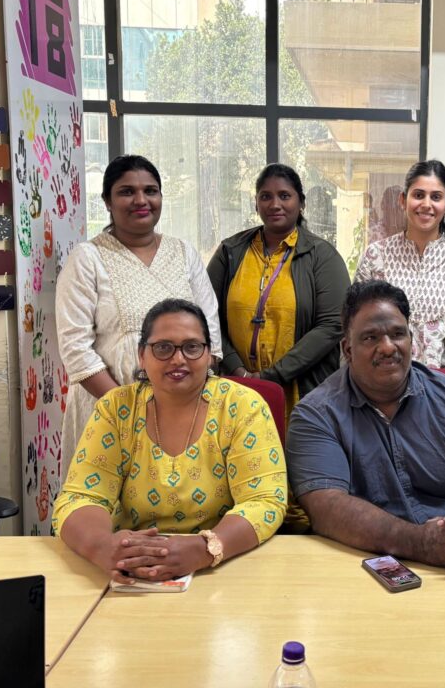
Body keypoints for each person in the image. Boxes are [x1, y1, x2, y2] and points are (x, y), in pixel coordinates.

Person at [53, 298, 286, 583]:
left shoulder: (242, 406)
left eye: (192, 347)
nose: (178, 359)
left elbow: (264, 500)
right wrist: (104, 548)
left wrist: (206, 548)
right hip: (132, 567)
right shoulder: (116, 408)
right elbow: (80, 497)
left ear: (209, 355)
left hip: (223, 569)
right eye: (163, 348)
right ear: (142, 356)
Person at [287, 281, 445, 571]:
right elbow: (327, 506)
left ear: (411, 340)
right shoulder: (315, 415)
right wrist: (421, 543)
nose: (387, 347)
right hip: (359, 562)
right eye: (370, 337)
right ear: (348, 349)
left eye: (397, 334)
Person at [56, 154, 221, 478]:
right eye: (127, 191)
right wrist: (129, 409)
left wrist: (175, 401)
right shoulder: (87, 258)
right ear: (107, 201)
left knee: (180, 495)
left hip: (183, 411)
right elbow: (75, 349)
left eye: (150, 190)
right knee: (106, 498)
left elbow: (210, 336)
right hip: (108, 410)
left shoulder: (184, 253)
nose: (141, 200)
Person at [207, 163, 349, 423]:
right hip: (237, 387)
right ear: (256, 203)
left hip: (304, 391)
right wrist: (238, 370)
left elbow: (332, 324)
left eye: (284, 196)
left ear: (301, 202)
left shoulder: (322, 255)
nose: (275, 204)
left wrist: (271, 376)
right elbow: (207, 316)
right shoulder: (230, 251)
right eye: (266, 196)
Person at [354, 160, 445, 368]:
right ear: (403, 200)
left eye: (436, 197)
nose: (426, 204)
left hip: (444, 380)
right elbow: (355, 323)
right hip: (386, 376)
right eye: (419, 195)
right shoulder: (375, 256)